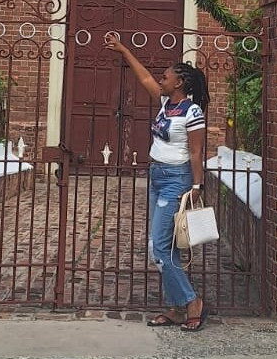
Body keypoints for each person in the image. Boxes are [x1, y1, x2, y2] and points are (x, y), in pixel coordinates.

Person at [104, 32, 210, 332]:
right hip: (157, 176)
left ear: (179, 83)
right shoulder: (165, 103)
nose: (161, 80)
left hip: (177, 179)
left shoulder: (192, 112)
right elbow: (144, 77)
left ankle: (192, 302)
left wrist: (197, 187)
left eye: (166, 77)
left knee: (159, 248)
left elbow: (196, 151)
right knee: (164, 246)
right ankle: (178, 308)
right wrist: (123, 49)